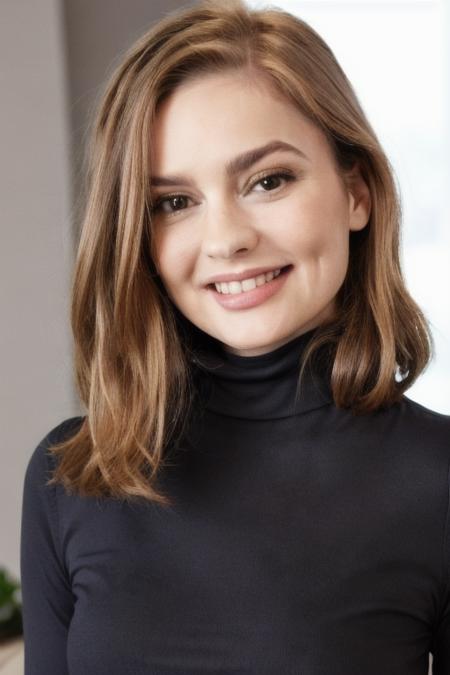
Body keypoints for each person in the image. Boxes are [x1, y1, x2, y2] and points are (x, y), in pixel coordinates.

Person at [20, 0, 449, 673]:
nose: (226, 239)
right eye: (174, 202)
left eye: (267, 180)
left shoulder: (438, 478)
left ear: (356, 192)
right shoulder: (72, 475)